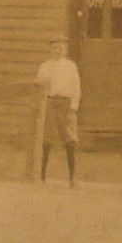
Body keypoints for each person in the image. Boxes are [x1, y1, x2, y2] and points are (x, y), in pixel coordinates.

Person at [35, 36, 81, 187]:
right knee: (46, 140)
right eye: (55, 48)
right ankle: (41, 176)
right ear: (50, 49)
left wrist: (73, 107)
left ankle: (72, 177)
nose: (57, 51)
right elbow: (38, 85)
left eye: (61, 48)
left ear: (66, 50)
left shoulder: (70, 66)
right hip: (49, 103)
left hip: (66, 104)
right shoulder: (45, 66)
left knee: (69, 140)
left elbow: (76, 88)